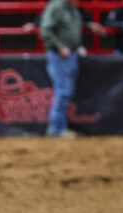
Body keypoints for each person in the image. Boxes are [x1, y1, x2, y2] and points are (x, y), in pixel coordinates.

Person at [39, 0, 103, 138]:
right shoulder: (56, 7)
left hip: (70, 54)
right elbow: (45, 30)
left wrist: (88, 25)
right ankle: (56, 130)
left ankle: (58, 128)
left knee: (66, 91)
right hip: (60, 55)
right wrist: (59, 46)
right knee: (63, 91)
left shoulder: (71, 8)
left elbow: (68, 26)